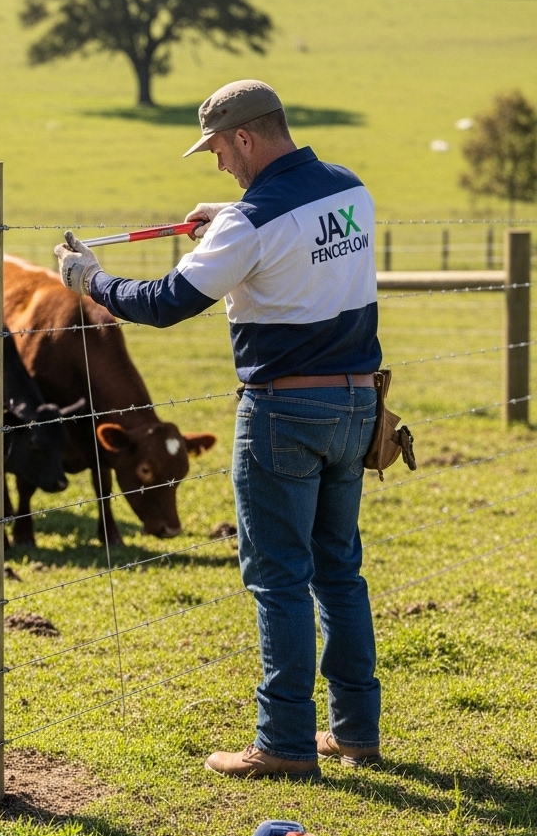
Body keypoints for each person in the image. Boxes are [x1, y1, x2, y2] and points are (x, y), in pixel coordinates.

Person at [55, 79, 382, 780]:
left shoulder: (248, 223)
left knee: (277, 580)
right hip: (358, 405)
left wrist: (93, 280)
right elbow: (286, 230)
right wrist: (235, 213)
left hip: (282, 413)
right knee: (339, 571)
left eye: (219, 151)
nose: (218, 165)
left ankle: (285, 743)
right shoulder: (351, 191)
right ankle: (355, 730)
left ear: (244, 137)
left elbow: (169, 302)